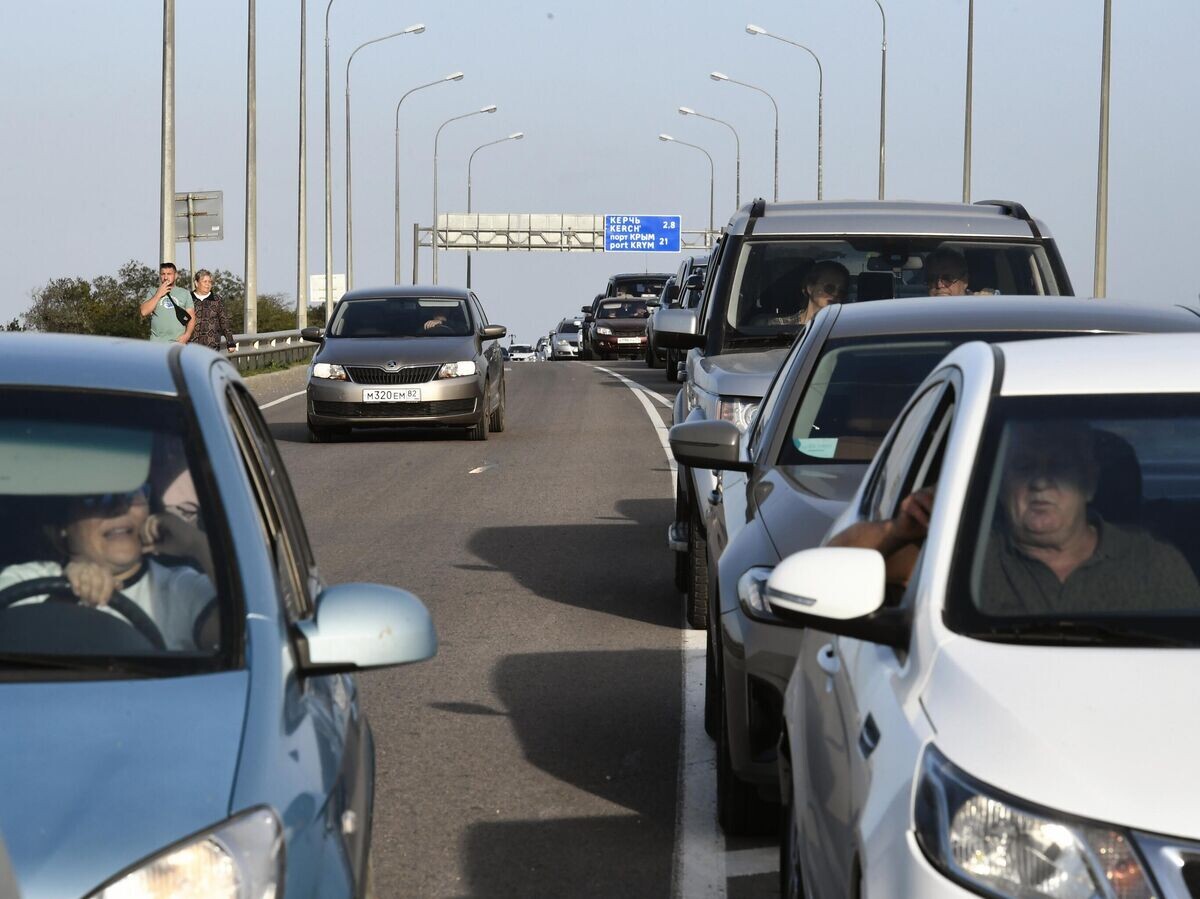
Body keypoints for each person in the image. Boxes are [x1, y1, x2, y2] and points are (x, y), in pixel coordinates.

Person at [979, 423, 1200, 613]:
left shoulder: (1154, 562)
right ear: (1000, 486)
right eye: (1024, 467)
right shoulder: (967, 563)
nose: (1040, 482)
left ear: (1089, 484)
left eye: (1059, 467)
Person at [0, 484, 216, 650]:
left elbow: (245, 632)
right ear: (63, 525)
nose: (118, 508)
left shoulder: (180, 588)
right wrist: (64, 596)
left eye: (132, 493)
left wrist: (196, 544)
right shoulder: (23, 579)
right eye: (94, 498)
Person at [762, 260, 851, 327]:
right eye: (829, 288)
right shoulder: (779, 326)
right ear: (810, 288)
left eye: (841, 292)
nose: (836, 294)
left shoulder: (846, 328)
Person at [139, 262, 196, 345]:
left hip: (177, 343)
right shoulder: (152, 291)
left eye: (169, 274)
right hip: (156, 343)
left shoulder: (185, 293)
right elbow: (143, 312)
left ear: (176, 275)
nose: (165, 277)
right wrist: (158, 294)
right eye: (163, 274)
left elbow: (192, 318)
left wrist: (187, 336)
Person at [188, 269, 235, 353]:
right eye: (205, 281)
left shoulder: (217, 300)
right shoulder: (188, 298)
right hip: (191, 345)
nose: (208, 284)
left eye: (210, 282)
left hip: (212, 345)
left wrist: (230, 342)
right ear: (196, 283)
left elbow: (224, 321)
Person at [925, 247, 993, 297]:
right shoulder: (918, 308)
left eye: (947, 278)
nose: (939, 285)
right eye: (932, 279)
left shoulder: (980, 305)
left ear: (965, 281)